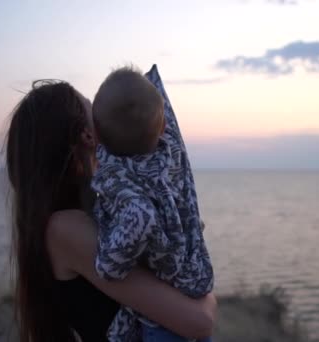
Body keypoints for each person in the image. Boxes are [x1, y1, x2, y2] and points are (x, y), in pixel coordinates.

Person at [5, 79, 217, 342]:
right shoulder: (65, 228)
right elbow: (200, 321)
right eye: (93, 110)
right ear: (88, 135)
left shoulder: (100, 212)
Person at [91, 65, 214, 341]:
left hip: (163, 325)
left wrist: (108, 265)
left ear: (96, 135)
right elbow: (163, 121)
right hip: (186, 298)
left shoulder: (119, 178)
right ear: (163, 127)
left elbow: (141, 214)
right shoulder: (169, 159)